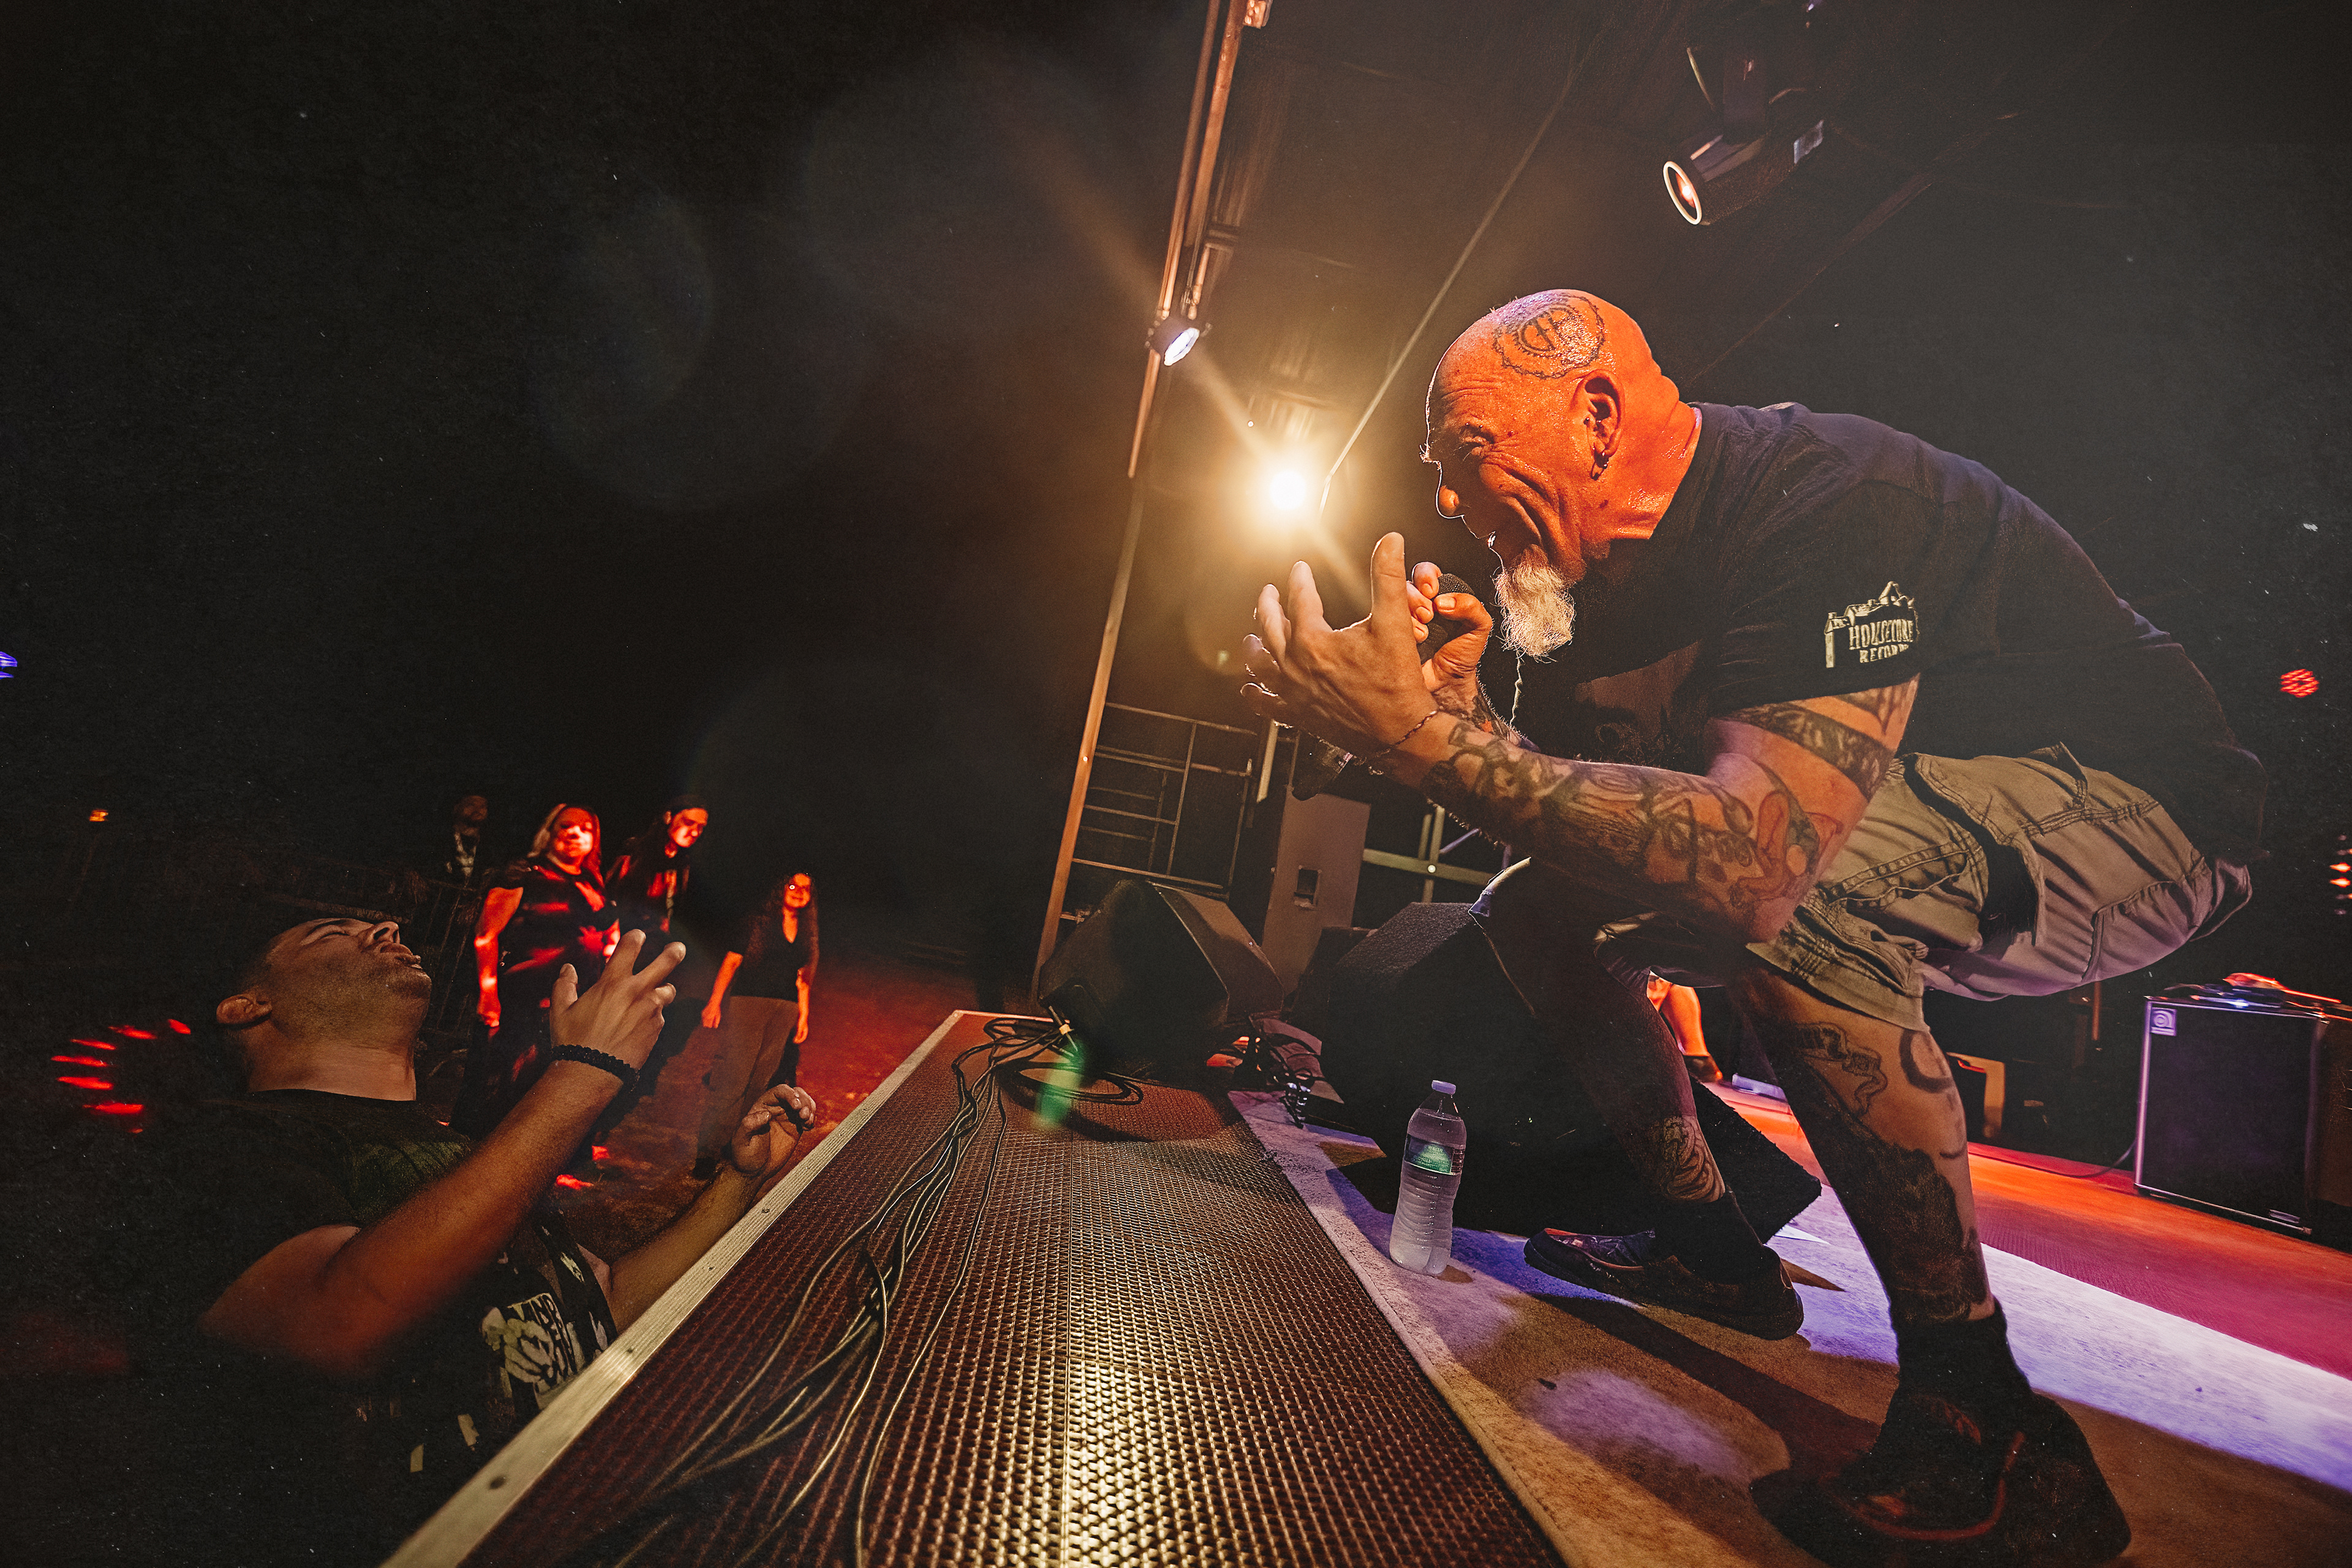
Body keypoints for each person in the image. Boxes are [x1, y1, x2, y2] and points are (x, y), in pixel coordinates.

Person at [1240, 290, 2260, 1567]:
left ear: (1595, 416)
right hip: (1884, 817)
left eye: (1467, 461)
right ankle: (1717, 1246)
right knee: (1538, 912)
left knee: (1800, 899)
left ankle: (1983, 1404)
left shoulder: (1827, 496)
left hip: (2144, 805)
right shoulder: (1563, 600)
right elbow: (1594, 822)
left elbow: (1757, 860)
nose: (1449, 501)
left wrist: (1430, 744)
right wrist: (1461, 724)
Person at [128, 915, 816, 1567]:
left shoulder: (472, 1159)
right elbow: (342, 1320)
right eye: (332, 932)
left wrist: (735, 1180)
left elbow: (602, 1301)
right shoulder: (216, 1145)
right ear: (246, 1006)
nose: (386, 928)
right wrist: (584, 1070)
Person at [453, 804, 619, 1139]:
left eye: (586, 829)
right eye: (566, 826)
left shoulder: (593, 884)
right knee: (495, 1082)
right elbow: (487, 935)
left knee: (539, 1084)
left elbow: (608, 935)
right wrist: (488, 996)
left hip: (566, 1006)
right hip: (519, 999)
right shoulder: (523, 874)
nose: (575, 833)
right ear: (550, 833)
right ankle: (466, 1155)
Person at [595, 797, 713, 1132]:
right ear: (669, 817)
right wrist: (611, 946)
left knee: (638, 1033)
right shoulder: (637, 854)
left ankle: (608, 1116)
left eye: (701, 827)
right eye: (689, 822)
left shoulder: (683, 862)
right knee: (609, 1028)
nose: (694, 832)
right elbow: (609, 901)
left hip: (655, 956)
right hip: (623, 953)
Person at [695, 872, 818, 1180]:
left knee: (760, 1081)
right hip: (749, 1003)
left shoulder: (806, 932)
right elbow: (732, 962)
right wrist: (714, 1002)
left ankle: (737, 1144)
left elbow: (803, 980)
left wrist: (803, 1015)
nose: (799, 892)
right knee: (733, 1078)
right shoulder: (757, 922)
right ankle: (707, 1152)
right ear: (780, 890)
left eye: (806, 889)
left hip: (785, 1008)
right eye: (793, 886)